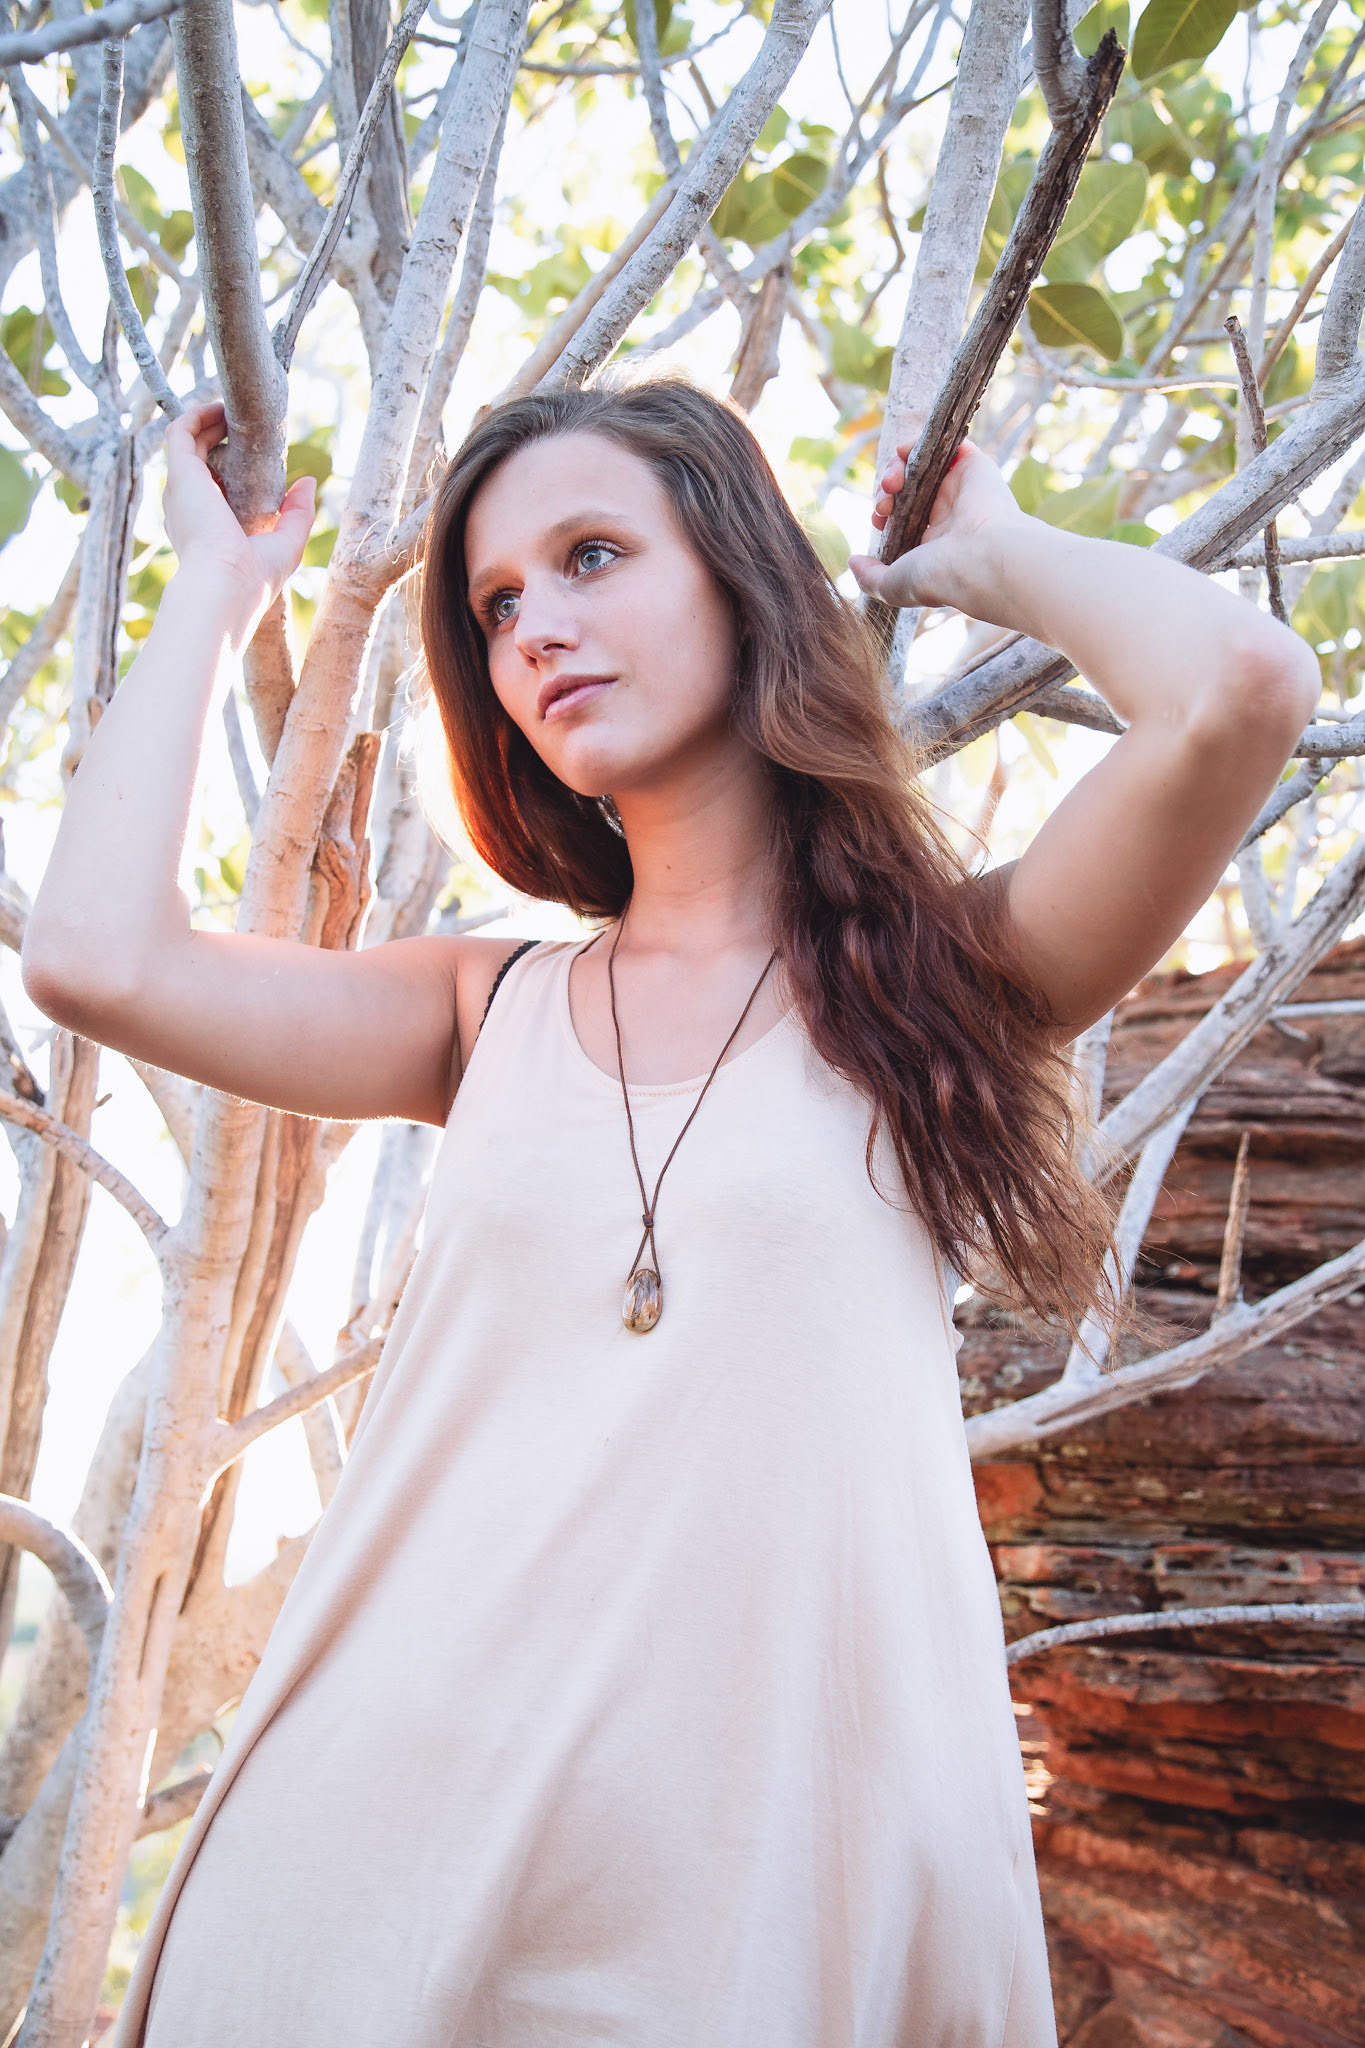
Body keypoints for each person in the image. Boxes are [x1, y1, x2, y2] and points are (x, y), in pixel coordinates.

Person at [24, 378, 1317, 2047]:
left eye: (590, 556)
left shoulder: (950, 988)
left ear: (737, 574)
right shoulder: (478, 1009)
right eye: (498, 606)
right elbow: (96, 959)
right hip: (374, 1866)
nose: (536, 630)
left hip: (769, 1893)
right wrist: (215, 586)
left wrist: (987, 552)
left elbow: (1236, 689)